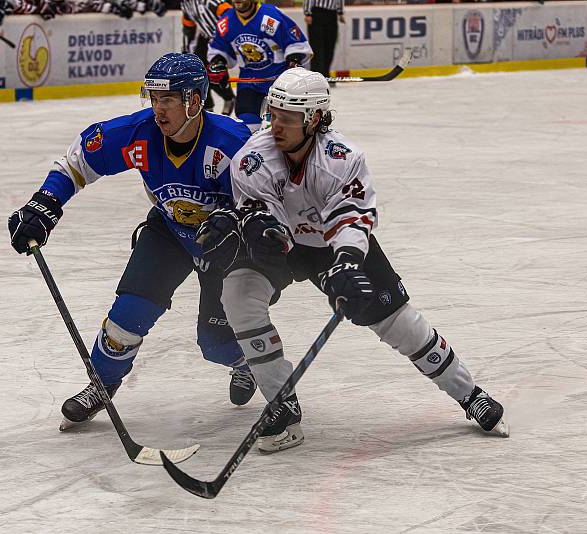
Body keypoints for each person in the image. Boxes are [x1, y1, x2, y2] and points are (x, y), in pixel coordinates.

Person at [197, 68, 509, 452]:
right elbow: (264, 219)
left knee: (396, 321)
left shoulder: (342, 159)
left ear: (314, 119)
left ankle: (468, 394)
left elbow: (352, 219)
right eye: (273, 114)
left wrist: (345, 263)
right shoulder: (252, 160)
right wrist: (252, 231)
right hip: (279, 244)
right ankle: (283, 406)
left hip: (331, 245)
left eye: (288, 118)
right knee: (238, 297)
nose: (276, 125)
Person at [8, 53, 257, 429]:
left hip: (224, 246)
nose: (158, 108)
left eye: (168, 99)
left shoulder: (233, 144)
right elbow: (77, 162)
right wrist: (44, 204)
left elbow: (264, 205)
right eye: (154, 98)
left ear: (193, 100)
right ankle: (102, 384)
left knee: (215, 343)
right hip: (170, 232)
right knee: (127, 316)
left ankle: (243, 362)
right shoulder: (139, 134)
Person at [206, 0, 311, 132]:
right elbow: (218, 49)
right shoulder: (226, 21)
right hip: (249, 82)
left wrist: (294, 61)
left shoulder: (270, 16)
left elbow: (296, 43)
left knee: (283, 126)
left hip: (279, 82)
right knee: (248, 125)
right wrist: (219, 63)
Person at [180, 0, 236, 115]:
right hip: (207, 40)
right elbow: (188, 27)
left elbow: (233, 17)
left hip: (223, 42)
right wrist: (186, 49)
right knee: (197, 74)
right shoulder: (185, 4)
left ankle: (228, 97)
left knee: (213, 73)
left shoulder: (211, 2)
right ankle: (207, 106)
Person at [303, 0, 344, 84]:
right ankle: (317, 75)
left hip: (332, 14)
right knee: (316, 46)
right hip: (317, 13)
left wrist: (340, 12)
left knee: (330, 46)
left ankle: (326, 73)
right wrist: (308, 13)